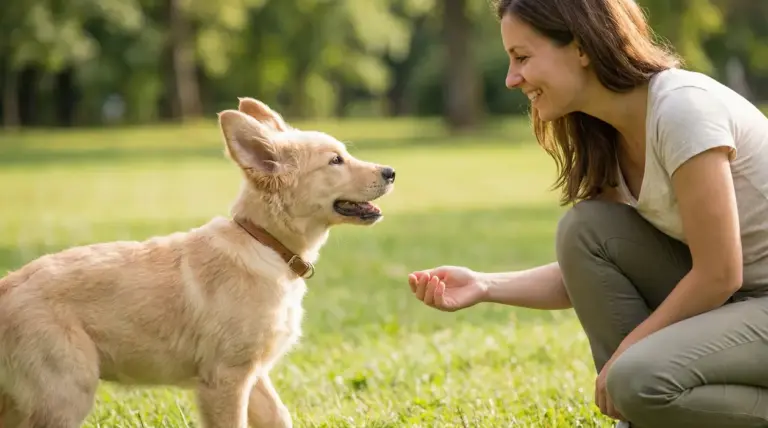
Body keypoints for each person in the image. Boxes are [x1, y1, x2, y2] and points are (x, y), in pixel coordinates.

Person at [407, 0, 768, 427]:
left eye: (522, 57)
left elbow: (719, 274)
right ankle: (644, 410)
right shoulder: (609, 134)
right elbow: (589, 271)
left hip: (747, 295)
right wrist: (484, 285)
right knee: (585, 231)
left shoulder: (682, 110)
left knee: (636, 379)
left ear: (581, 48)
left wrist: (625, 357)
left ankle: (644, 400)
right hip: (739, 300)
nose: (511, 79)